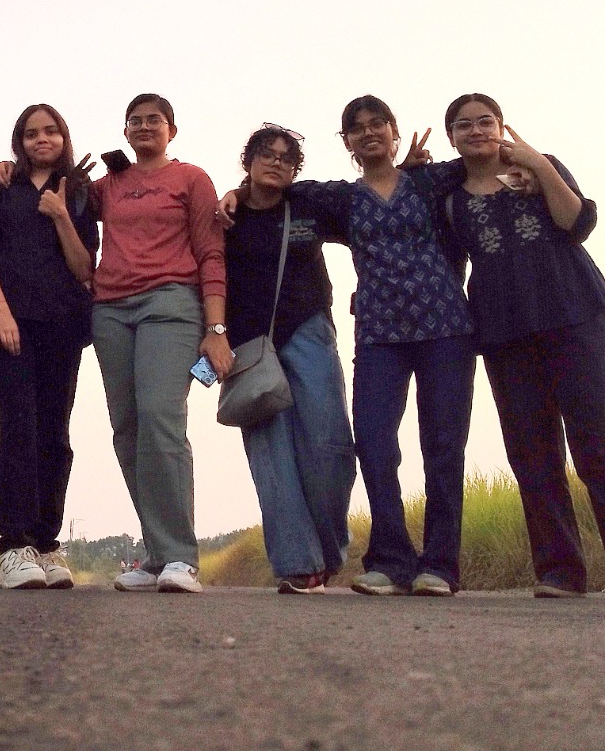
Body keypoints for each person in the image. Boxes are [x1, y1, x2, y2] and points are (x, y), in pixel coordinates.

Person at [225, 96, 475, 597]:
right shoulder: (337, 198)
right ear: (347, 142)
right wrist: (234, 193)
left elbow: (482, 165)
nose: (368, 133)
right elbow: (263, 196)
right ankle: (388, 560)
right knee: (375, 447)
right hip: (378, 335)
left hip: (444, 327)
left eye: (377, 123)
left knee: (441, 447)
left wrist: (531, 166)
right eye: (356, 128)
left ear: (393, 130)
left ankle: (440, 565)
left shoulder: (430, 182)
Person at [433, 95, 605, 597]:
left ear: (502, 125)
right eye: (463, 125)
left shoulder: (539, 167)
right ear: (452, 138)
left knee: (597, 441)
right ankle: (560, 571)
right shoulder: (449, 196)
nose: (476, 130)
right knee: (532, 451)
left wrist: (538, 164)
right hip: (505, 331)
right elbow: (447, 262)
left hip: (574, 315)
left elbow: (578, 224)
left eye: (485, 121)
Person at [89, 93, 230, 594]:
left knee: (159, 418)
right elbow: (52, 194)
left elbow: (211, 253)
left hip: (170, 304)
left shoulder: (191, 178)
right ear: (124, 131)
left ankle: (180, 557)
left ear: (172, 129)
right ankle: (155, 555)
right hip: (110, 310)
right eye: (135, 121)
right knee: (126, 429)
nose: (144, 127)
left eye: (155, 120)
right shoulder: (108, 185)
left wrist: (215, 330)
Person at [222, 124, 355, 594]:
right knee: (272, 458)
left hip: (309, 332)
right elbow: (210, 280)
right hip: (251, 347)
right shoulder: (227, 217)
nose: (276, 162)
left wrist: (408, 172)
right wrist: (213, 340)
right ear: (249, 161)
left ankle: (330, 548)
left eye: (286, 157)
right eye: (267, 154)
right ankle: (299, 565)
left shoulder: (309, 204)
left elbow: (365, 204)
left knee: (331, 447)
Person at [0, 104, 98, 590]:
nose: (41, 140)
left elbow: (85, 268)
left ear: (64, 137)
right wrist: (1, 309)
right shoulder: (0, 186)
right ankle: (14, 545)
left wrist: (63, 215)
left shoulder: (80, 192)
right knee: (18, 426)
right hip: (9, 322)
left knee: (55, 433)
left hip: (63, 324)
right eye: (30, 134)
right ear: (18, 142)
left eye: (49, 132)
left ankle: (46, 544)